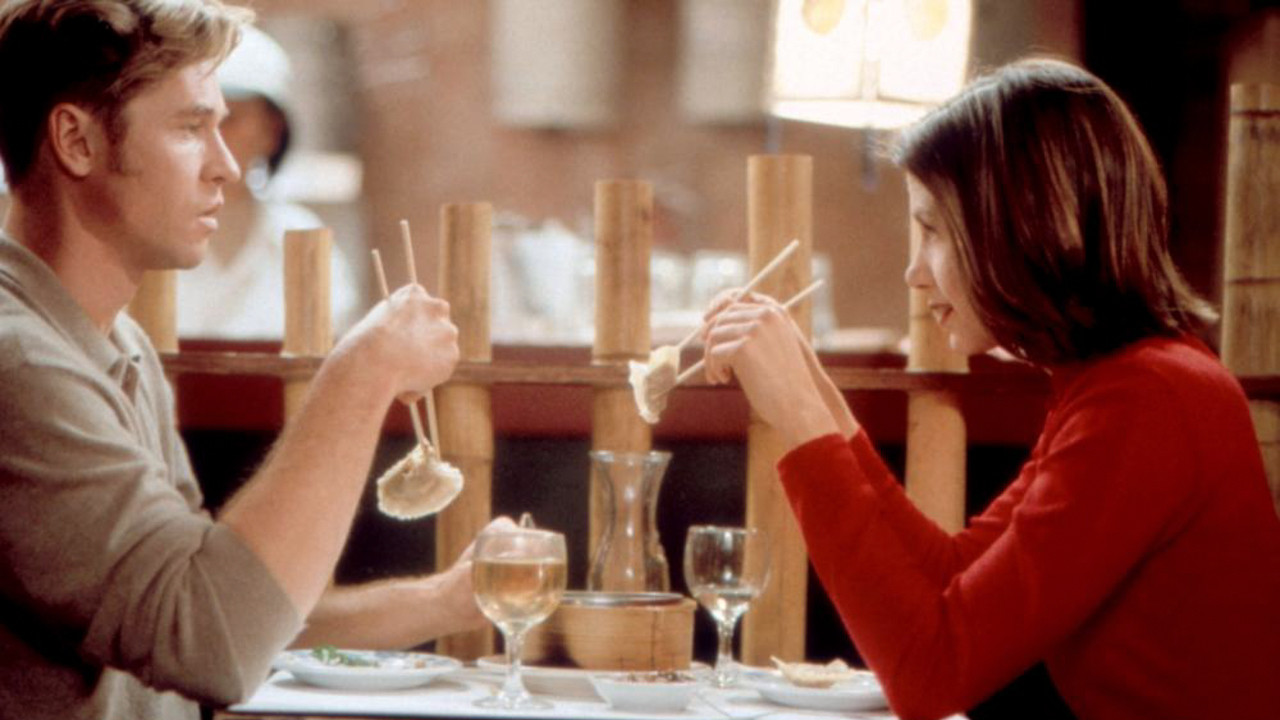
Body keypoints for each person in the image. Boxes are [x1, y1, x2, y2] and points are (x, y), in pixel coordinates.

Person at [701, 59, 1280, 720]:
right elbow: (951, 572)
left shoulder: (1149, 399)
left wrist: (800, 417)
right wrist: (815, 394)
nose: (914, 273)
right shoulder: (1124, 383)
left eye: (932, 230)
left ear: (1022, 223)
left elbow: (934, 673)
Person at [0, 2, 495, 718]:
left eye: (226, 126)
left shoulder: (114, 342)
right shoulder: (20, 365)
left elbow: (225, 607)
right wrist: (363, 370)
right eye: (190, 127)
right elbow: (215, 641)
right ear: (77, 141)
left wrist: (445, 599)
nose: (226, 167)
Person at [176, 24, 361, 339]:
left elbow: (335, 344)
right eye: (195, 122)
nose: (214, 139)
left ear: (273, 130)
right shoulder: (145, 231)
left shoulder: (301, 236)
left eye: (230, 119)